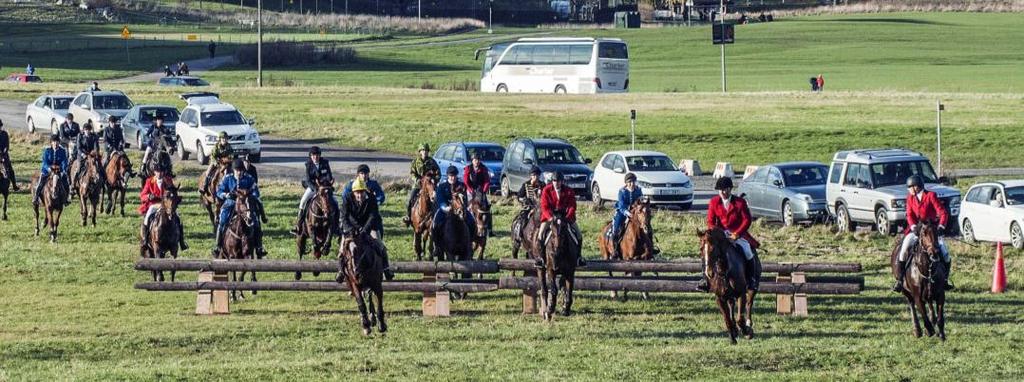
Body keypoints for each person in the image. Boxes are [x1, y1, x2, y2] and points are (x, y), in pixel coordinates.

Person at [698, 177, 761, 292]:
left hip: (738, 233)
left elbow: (747, 220)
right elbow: (710, 222)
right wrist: (719, 233)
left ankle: (751, 279)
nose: (722, 192)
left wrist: (737, 234)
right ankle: (705, 280)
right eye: (720, 190)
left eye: (725, 190)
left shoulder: (739, 202)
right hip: (720, 235)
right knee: (708, 252)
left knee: (747, 251)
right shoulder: (714, 202)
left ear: (730, 189)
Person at [893, 175, 954, 292]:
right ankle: (900, 280)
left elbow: (943, 213)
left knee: (945, 253)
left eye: (911, 187)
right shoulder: (910, 198)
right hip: (916, 230)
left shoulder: (931, 196)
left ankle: (945, 280)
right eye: (909, 187)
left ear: (917, 186)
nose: (909, 189)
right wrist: (913, 226)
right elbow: (909, 214)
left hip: (931, 231)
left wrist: (941, 226)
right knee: (904, 248)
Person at [339, 178, 394, 280]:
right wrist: (351, 229)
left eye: (362, 192)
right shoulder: (347, 198)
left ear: (365, 191)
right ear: (353, 192)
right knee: (342, 248)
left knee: (380, 245)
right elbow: (344, 216)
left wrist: (364, 230)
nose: (360, 195)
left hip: (369, 226)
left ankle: (386, 269)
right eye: (357, 193)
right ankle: (341, 271)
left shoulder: (372, 198)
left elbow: (372, 216)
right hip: (351, 227)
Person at [213, 159, 267, 259]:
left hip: (245, 204)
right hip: (231, 202)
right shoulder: (227, 178)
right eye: (237, 170)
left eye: (240, 170)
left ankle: (259, 247)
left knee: (256, 222)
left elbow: (256, 191)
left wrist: (251, 196)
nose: (239, 172)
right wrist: (226, 194)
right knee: (222, 221)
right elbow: (219, 191)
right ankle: (218, 246)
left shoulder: (249, 178)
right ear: (233, 170)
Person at [537, 171, 585, 267]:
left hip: (565, 217)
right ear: (552, 181)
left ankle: (579, 257)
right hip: (550, 217)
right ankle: (541, 258)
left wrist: (567, 217)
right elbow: (544, 207)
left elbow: (572, 206)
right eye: (554, 181)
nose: (556, 183)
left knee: (578, 234)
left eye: (558, 181)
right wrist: (550, 218)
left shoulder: (569, 191)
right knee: (541, 234)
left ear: (562, 181)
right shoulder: (546, 190)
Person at [139, 166, 187, 251]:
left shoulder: (168, 180)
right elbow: (142, 195)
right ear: (154, 172)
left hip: (167, 204)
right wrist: (149, 196)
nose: (159, 173)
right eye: (157, 171)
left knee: (179, 218)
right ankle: (145, 240)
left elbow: (173, 192)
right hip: (154, 204)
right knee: (147, 218)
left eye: (161, 171)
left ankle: (181, 241)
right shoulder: (149, 181)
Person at [292, 146, 338, 235]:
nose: (315, 157)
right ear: (311, 156)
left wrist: (325, 184)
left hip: (324, 187)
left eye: (317, 155)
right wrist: (316, 189)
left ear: (319, 155)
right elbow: (308, 180)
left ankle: (336, 226)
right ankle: (299, 225)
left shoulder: (325, 163)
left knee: (335, 202)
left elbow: (329, 176)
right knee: (303, 202)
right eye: (313, 155)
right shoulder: (308, 165)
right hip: (313, 187)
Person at [432, 165, 476, 240]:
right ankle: (437, 244)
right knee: (436, 222)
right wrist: (445, 207)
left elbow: (465, 199)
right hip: (446, 210)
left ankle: (470, 241)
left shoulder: (462, 185)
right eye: (451, 176)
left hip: (460, 209)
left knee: (472, 221)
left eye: (455, 175)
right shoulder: (442, 186)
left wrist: (463, 206)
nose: (453, 178)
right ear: (448, 176)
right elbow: (440, 200)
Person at [342, 164, 386, 237]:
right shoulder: (351, 184)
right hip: (353, 217)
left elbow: (381, 196)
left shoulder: (373, 184)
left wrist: (376, 202)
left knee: (378, 240)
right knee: (343, 241)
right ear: (358, 174)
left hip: (369, 213)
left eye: (366, 173)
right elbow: (345, 196)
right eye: (362, 173)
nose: (364, 175)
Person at [609, 172, 644, 260]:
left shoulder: (638, 190)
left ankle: (650, 247)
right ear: (626, 183)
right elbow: (621, 205)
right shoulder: (622, 191)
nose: (632, 184)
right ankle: (615, 249)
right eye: (629, 182)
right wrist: (628, 213)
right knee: (616, 227)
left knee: (646, 225)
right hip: (623, 212)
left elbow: (641, 202)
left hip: (635, 213)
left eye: (633, 182)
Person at [403, 143, 440, 226]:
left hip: (430, 185)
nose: (425, 152)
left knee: (438, 199)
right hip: (418, 185)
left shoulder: (432, 161)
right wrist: (417, 180)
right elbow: (412, 173)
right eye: (423, 150)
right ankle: (408, 216)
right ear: (420, 151)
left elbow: (438, 173)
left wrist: (435, 179)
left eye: (426, 150)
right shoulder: (415, 162)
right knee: (410, 199)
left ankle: (438, 218)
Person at [34, 135, 69, 205]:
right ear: (51, 143)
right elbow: (44, 162)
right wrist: (48, 168)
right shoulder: (47, 151)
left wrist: (62, 169)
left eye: (57, 142)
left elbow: (64, 162)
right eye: (54, 142)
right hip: (47, 171)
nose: (55, 143)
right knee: (40, 183)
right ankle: (36, 197)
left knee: (66, 184)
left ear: (59, 142)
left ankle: (66, 199)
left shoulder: (62, 151)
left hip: (59, 171)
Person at [463, 153, 492, 235]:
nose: (477, 162)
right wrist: (470, 190)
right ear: (472, 161)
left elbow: (487, 181)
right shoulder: (468, 168)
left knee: (488, 208)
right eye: (475, 160)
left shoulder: (483, 168)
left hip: (481, 191)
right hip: (470, 190)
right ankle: (465, 225)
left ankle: (489, 229)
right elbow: (465, 181)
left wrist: (484, 190)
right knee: (467, 207)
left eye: (478, 160)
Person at [71, 122, 104, 191]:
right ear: (83, 130)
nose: (87, 131)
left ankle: (104, 181)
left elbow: (96, 147)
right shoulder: (80, 136)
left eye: (89, 130)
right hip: (82, 156)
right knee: (78, 167)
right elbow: (78, 147)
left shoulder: (94, 136)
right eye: (86, 130)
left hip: (92, 156)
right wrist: (83, 155)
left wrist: (94, 153)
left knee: (100, 166)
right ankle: (73, 184)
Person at [0, 119, 19, 191]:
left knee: (10, 170)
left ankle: (14, 185)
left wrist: (4, 153)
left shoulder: (5, 134)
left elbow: (7, 146)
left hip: (4, 155)